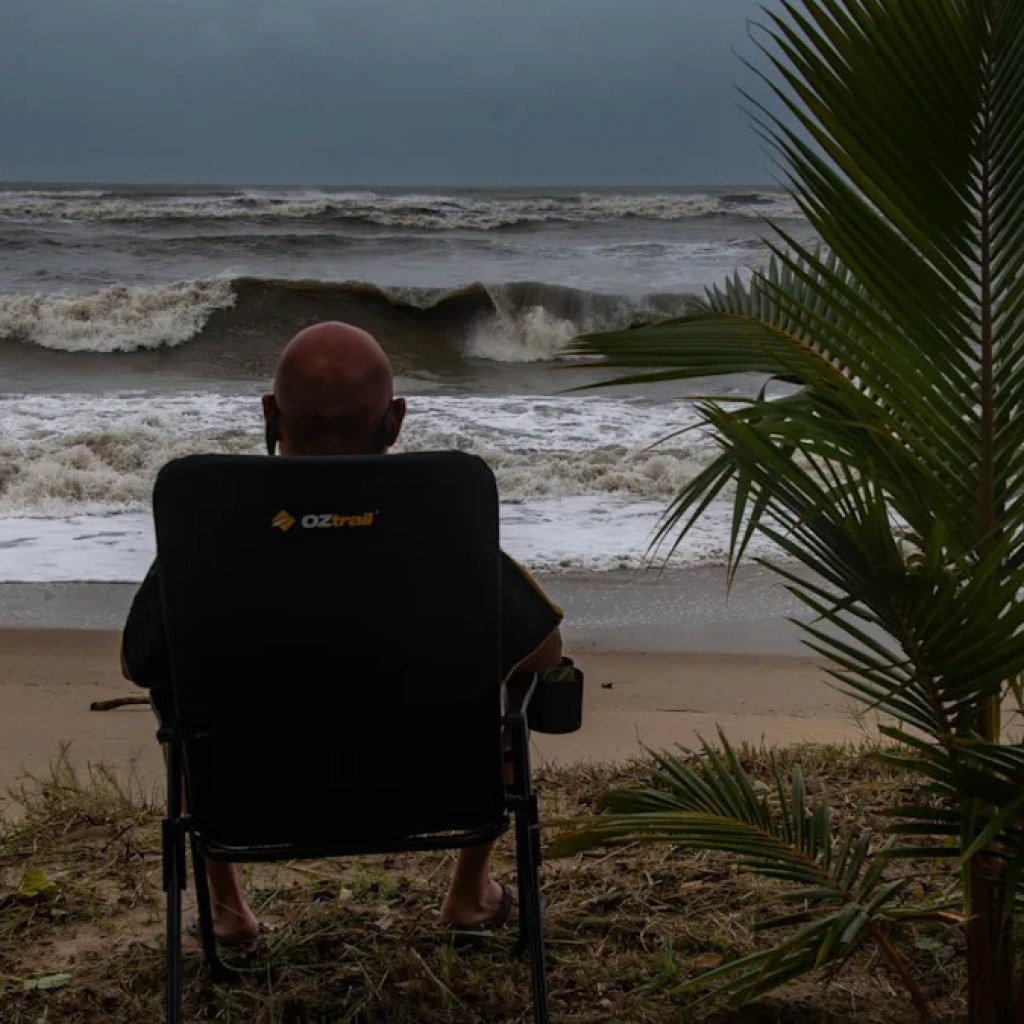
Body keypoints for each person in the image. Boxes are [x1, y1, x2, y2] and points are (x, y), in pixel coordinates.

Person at [121, 321, 564, 950]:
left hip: (251, 801)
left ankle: (228, 912)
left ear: (272, 414)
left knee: (175, 695)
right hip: (433, 794)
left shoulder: (212, 532)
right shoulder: (443, 526)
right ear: (396, 421)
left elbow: (140, 663)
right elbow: (544, 650)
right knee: (519, 678)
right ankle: (469, 893)